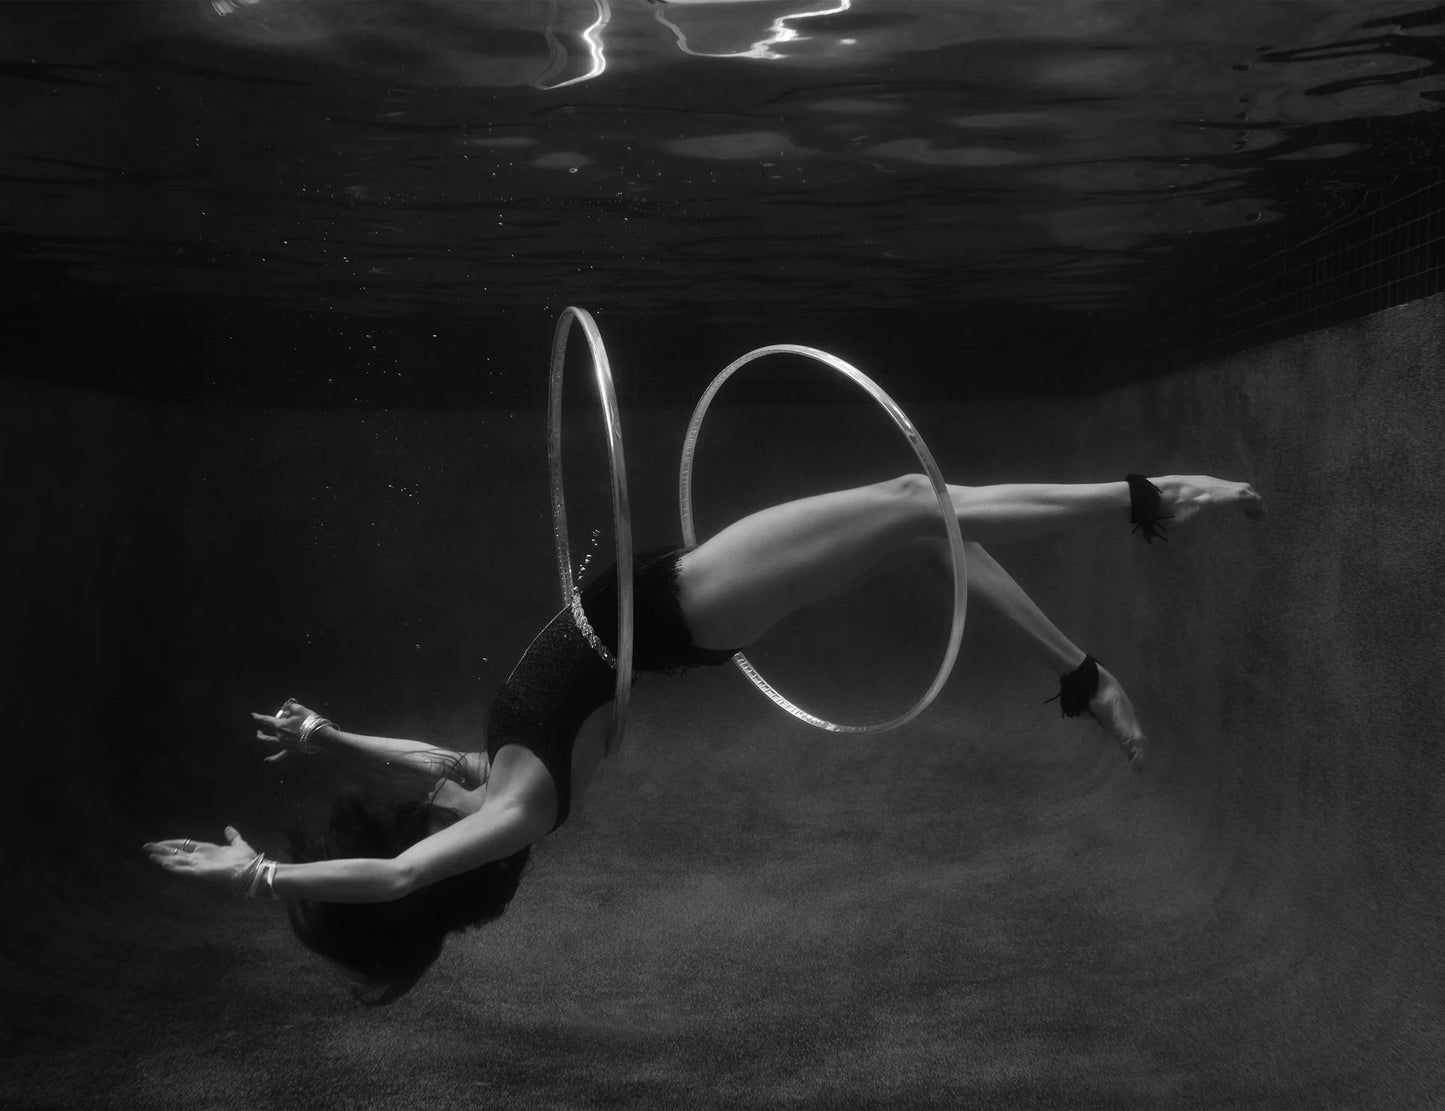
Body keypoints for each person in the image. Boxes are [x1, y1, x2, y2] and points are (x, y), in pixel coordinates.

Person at [145, 471, 1264, 1002]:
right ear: (453, 859)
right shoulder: (523, 809)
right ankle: (1147, 505)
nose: (415, 794)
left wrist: (330, 733)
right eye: (414, 818)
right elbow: (390, 879)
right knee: (920, 506)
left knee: (916, 523)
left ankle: (1082, 665)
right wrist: (260, 874)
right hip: (695, 604)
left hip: (678, 591)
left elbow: (416, 770)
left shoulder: (484, 781)